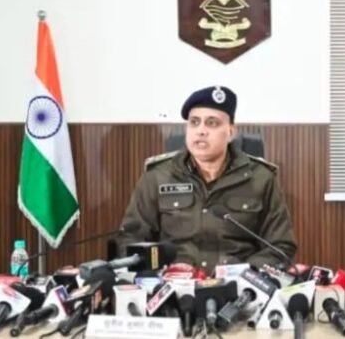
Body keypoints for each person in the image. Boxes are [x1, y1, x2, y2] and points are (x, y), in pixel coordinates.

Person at [118, 86, 296, 272]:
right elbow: (130, 238)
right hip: (172, 283)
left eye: (212, 123)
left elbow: (280, 246)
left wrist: (244, 272)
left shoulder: (261, 178)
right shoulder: (157, 177)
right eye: (194, 122)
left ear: (231, 132)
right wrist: (162, 269)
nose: (201, 131)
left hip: (238, 284)